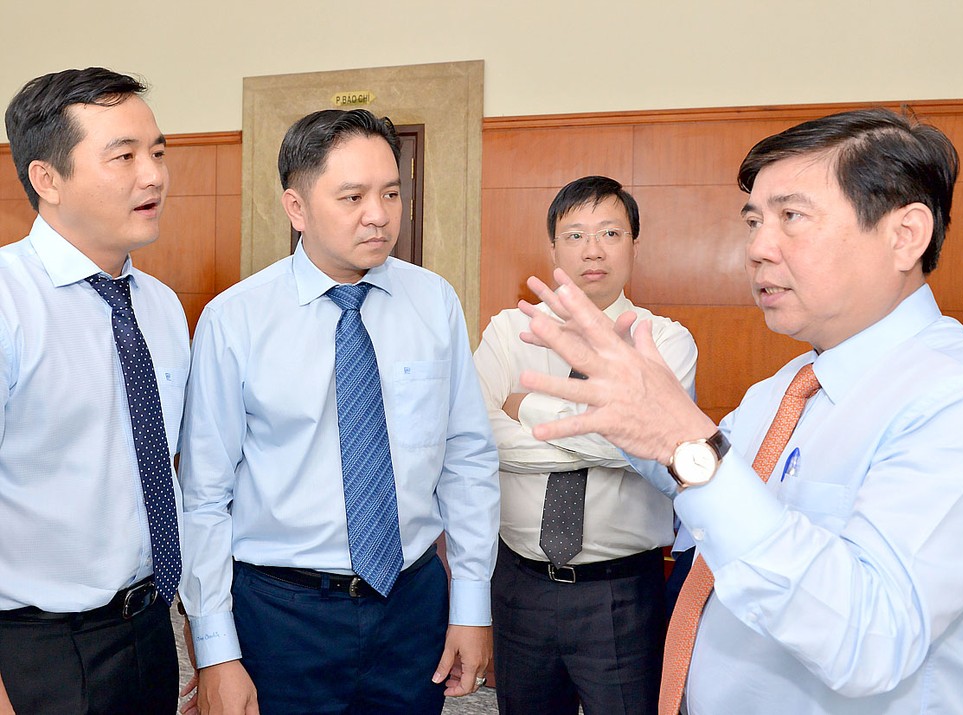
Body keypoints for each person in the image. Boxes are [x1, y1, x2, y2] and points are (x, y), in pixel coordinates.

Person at [516, 108, 963, 714]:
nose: (757, 249)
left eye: (791, 217)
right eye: (754, 220)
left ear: (905, 235)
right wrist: (634, 416)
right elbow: (699, 481)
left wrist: (682, 437)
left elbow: (869, 635)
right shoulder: (782, 388)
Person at [179, 108, 500, 714]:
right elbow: (204, 496)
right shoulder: (235, 320)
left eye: (390, 192)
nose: (378, 214)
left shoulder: (434, 302)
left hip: (411, 605)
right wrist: (217, 652)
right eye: (351, 196)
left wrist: (472, 607)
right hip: (281, 616)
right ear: (296, 208)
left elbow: (468, 457)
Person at [0, 68, 188, 714]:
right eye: (125, 156)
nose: (154, 175)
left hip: (148, 628)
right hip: (36, 650)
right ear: (47, 179)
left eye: (158, 152)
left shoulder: (161, 308)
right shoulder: (7, 302)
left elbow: (162, 472)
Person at [473, 176, 697, 714]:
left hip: (621, 594)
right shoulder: (508, 331)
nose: (592, 249)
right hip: (520, 584)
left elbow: (651, 448)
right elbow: (478, 442)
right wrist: (606, 428)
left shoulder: (663, 340)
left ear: (633, 244)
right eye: (574, 235)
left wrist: (523, 408)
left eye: (609, 232)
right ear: (552, 247)